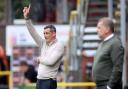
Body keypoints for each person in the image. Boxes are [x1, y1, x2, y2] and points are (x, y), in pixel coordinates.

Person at [23, 5, 64, 89]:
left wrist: (39, 59)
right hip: (39, 80)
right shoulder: (43, 43)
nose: (45, 35)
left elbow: (50, 62)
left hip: (49, 81)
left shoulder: (59, 45)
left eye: (47, 33)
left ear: (54, 34)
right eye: (44, 33)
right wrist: (27, 19)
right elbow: (33, 33)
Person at [92, 17, 124, 89]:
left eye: (99, 28)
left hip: (107, 85)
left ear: (107, 29)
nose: (97, 30)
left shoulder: (115, 43)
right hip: (100, 85)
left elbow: (118, 67)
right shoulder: (103, 43)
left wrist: (109, 86)